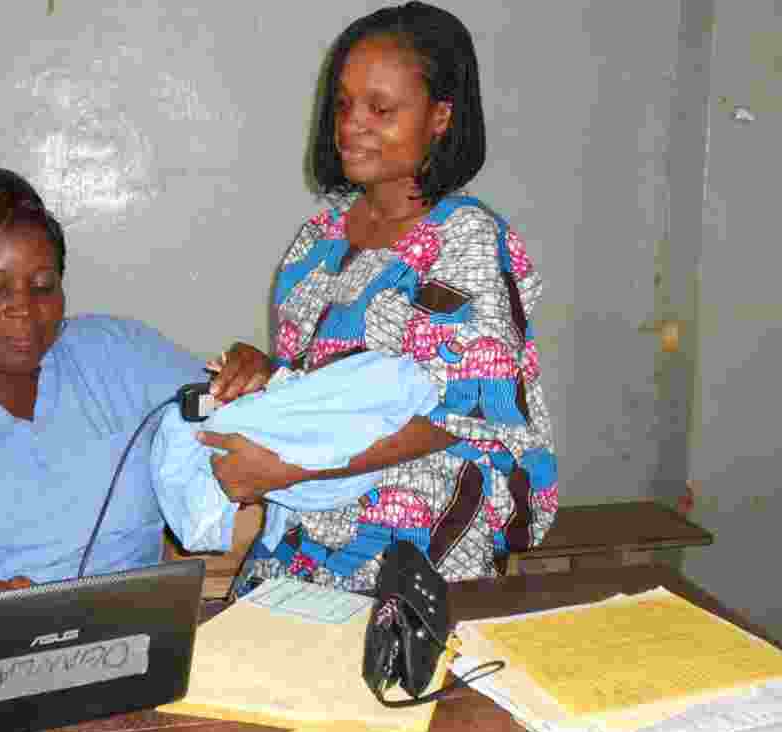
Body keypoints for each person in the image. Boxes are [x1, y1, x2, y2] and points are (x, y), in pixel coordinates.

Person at [203, 2, 559, 595]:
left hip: (418, 541)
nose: (352, 125)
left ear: (441, 116)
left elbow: (463, 412)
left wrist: (294, 466)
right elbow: (321, 387)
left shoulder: (466, 239)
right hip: (311, 520)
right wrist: (265, 374)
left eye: (381, 109)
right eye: (343, 105)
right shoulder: (319, 239)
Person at [0, 167, 262, 628]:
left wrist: (255, 377)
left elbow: (242, 414)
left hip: (143, 640)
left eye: (43, 286)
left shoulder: (118, 354)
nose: (24, 309)